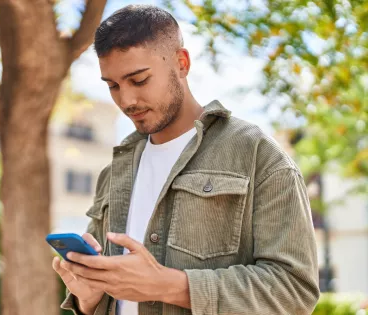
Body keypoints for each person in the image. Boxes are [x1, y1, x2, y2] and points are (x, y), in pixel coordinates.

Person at [52, 5, 320, 315]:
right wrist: (90, 298)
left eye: (138, 80)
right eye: (113, 85)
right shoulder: (114, 172)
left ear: (181, 63)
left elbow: (295, 291)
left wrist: (167, 285)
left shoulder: (258, 154)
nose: (126, 101)